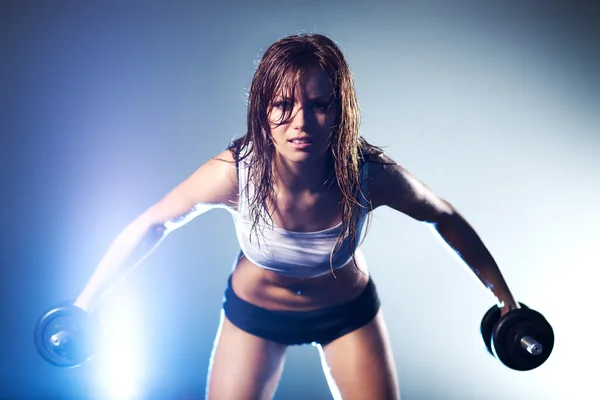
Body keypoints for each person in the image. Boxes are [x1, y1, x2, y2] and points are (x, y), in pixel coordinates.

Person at [73, 33, 519, 400]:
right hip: (257, 316)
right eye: (283, 105)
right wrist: (84, 304)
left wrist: (507, 303)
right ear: (262, 111)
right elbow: (154, 223)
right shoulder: (234, 174)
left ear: (340, 109)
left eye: (319, 104)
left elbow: (443, 217)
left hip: (346, 315)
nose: (300, 122)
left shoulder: (371, 176)